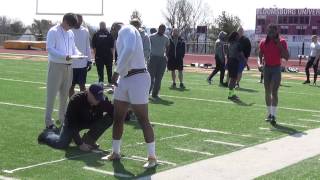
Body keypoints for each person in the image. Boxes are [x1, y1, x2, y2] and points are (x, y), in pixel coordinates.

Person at [101, 22, 157, 169]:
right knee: (118, 117)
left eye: (112, 30)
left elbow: (130, 49)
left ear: (115, 27)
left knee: (143, 118)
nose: (112, 33)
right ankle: (115, 152)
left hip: (137, 76)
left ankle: (152, 157)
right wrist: (119, 73)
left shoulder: (126, 29)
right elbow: (127, 52)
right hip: (125, 78)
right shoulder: (124, 33)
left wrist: (116, 72)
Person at [38, 83, 114, 151]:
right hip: (74, 123)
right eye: (96, 98)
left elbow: (114, 112)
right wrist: (80, 144)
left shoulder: (103, 100)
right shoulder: (76, 100)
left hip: (90, 120)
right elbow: (72, 124)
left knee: (109, 118)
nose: (98, 101)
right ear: (88, 93)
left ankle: (89, 140)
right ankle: (47, 134)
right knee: (61, 143)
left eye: (99, 98)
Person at [44, 13, 81, 130]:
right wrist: (64, 56)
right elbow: (49, 48)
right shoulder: (53, 31)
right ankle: (48, 121)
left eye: (72, 26)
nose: (70, 27)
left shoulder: (70, 33)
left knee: (65, 94)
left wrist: (79, 54)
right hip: (56, 66)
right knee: (52, 94)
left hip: (68, 67)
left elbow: (73, 47)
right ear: (64, 20)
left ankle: (62, 117)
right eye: (69, 24)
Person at [258, 24, 289, 125]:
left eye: (273, 31)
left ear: (277, 32)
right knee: (267, 91)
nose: (271, 33)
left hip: (276, 68)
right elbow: (259, 55)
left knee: (274, 92)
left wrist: (279, 45)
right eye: (269, 31)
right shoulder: (263, 42)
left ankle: (274, 115)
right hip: (266, 69)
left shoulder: (282, 41)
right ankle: (269, 113)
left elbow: (286, 56)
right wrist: (259, 64)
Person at [69, 14, 92, 97]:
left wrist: (89, 60)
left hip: (82, 64)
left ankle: (83, 103)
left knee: (82, 86)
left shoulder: (85, 31)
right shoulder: (69, 31)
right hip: (71, 64)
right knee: (71, 86)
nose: (80, 22)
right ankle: (72, 103)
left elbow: (87, 46)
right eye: (78, 20)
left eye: (81, 20)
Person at [148, 24, 170, 99]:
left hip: (162, 59)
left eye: (164, 29)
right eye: (161, 29)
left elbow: (168, 47)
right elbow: (147, 47)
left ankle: (155, 94)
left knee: (159, 78)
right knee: (150, 77)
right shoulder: (151, 37)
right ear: (158, 28)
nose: (162, 30)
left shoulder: (166, 38)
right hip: (153, 58)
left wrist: (166, 56)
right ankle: (147, 92)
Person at [227, 31, 245, 100]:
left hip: (230, 61)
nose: (239, 37)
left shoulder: (230, 44)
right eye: (237, 36)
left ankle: (232, 94)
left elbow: (228, 54)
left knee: (232, 78)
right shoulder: (238, 44)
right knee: (233, 79)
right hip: (234, 61)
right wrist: (246, 62)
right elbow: (241, 54)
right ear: (235, 37)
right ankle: (230, 95)